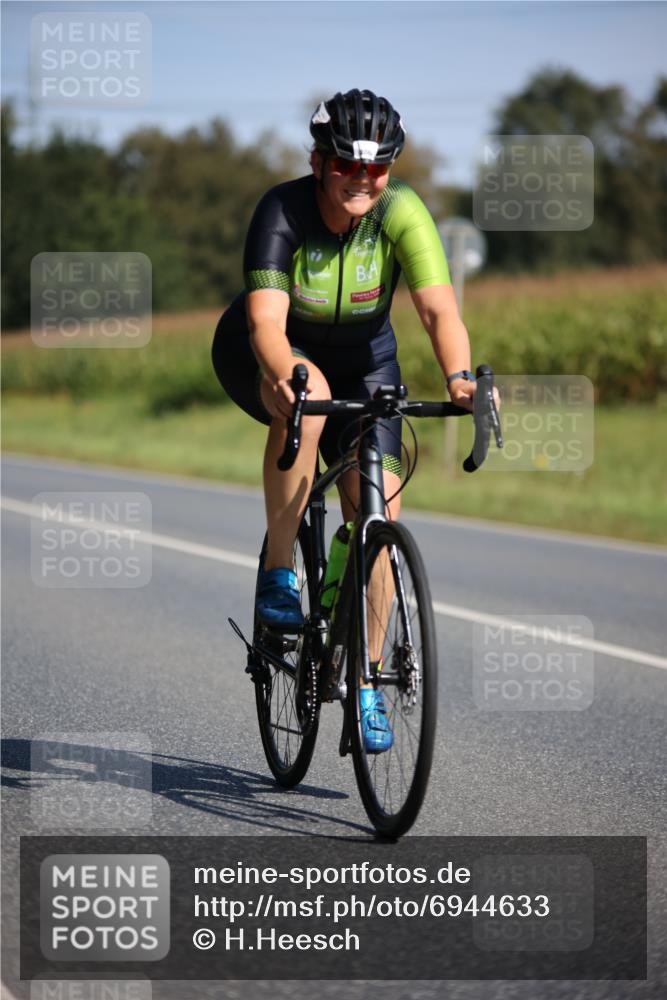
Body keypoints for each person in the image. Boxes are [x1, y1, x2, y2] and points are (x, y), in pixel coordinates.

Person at [212, 89, 477, 751]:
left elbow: (438, 310)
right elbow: (266, 324)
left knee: (379, 511)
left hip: (367, 364)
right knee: (308, 395)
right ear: (318, 162)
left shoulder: (400, 210)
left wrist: (458, 378)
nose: (362, 179)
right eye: (346, 166)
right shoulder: (282, 210)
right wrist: (285, 374)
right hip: (270, 349)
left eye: (376, 167)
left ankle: (363, 679)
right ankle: (280, 571)